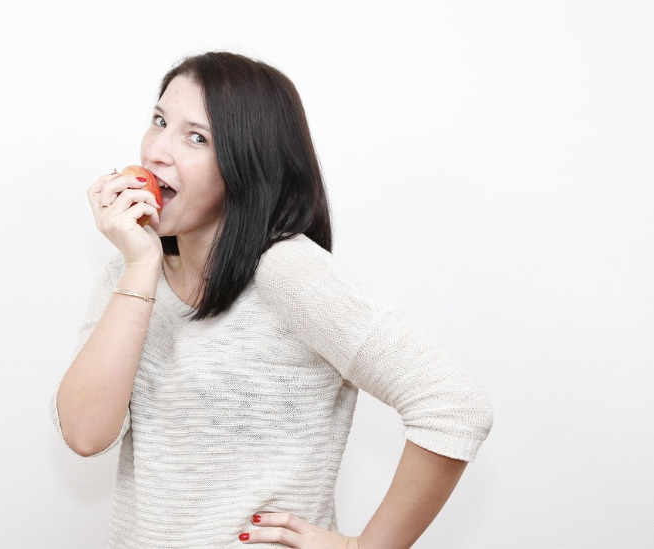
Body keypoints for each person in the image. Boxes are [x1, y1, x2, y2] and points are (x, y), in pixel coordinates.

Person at [51, 51, 493, 548]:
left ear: (245, 165)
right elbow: (86, 435)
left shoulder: (285, 269)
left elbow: (454, 404)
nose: (156, 151)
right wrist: (138, 268)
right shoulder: (129, 268)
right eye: (159, 121)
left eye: (197, 137)